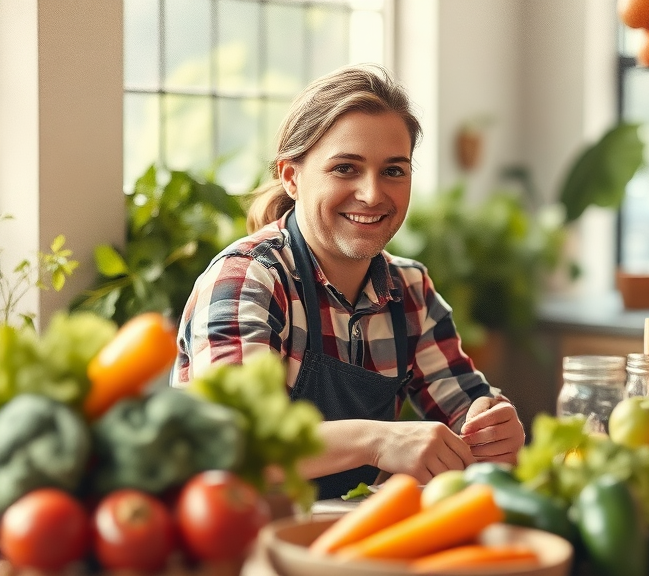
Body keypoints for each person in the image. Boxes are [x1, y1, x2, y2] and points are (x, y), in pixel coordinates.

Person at [172, 64, 526, 498]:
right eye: (345, 168)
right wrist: (378, 441)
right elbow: (232, 443)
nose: (372, 194)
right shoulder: (248, 279)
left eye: (393, 171)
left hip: (351, 528)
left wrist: (493, 427)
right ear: (291, 177)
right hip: (240, 529)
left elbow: (467, 408)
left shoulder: (410, 290)